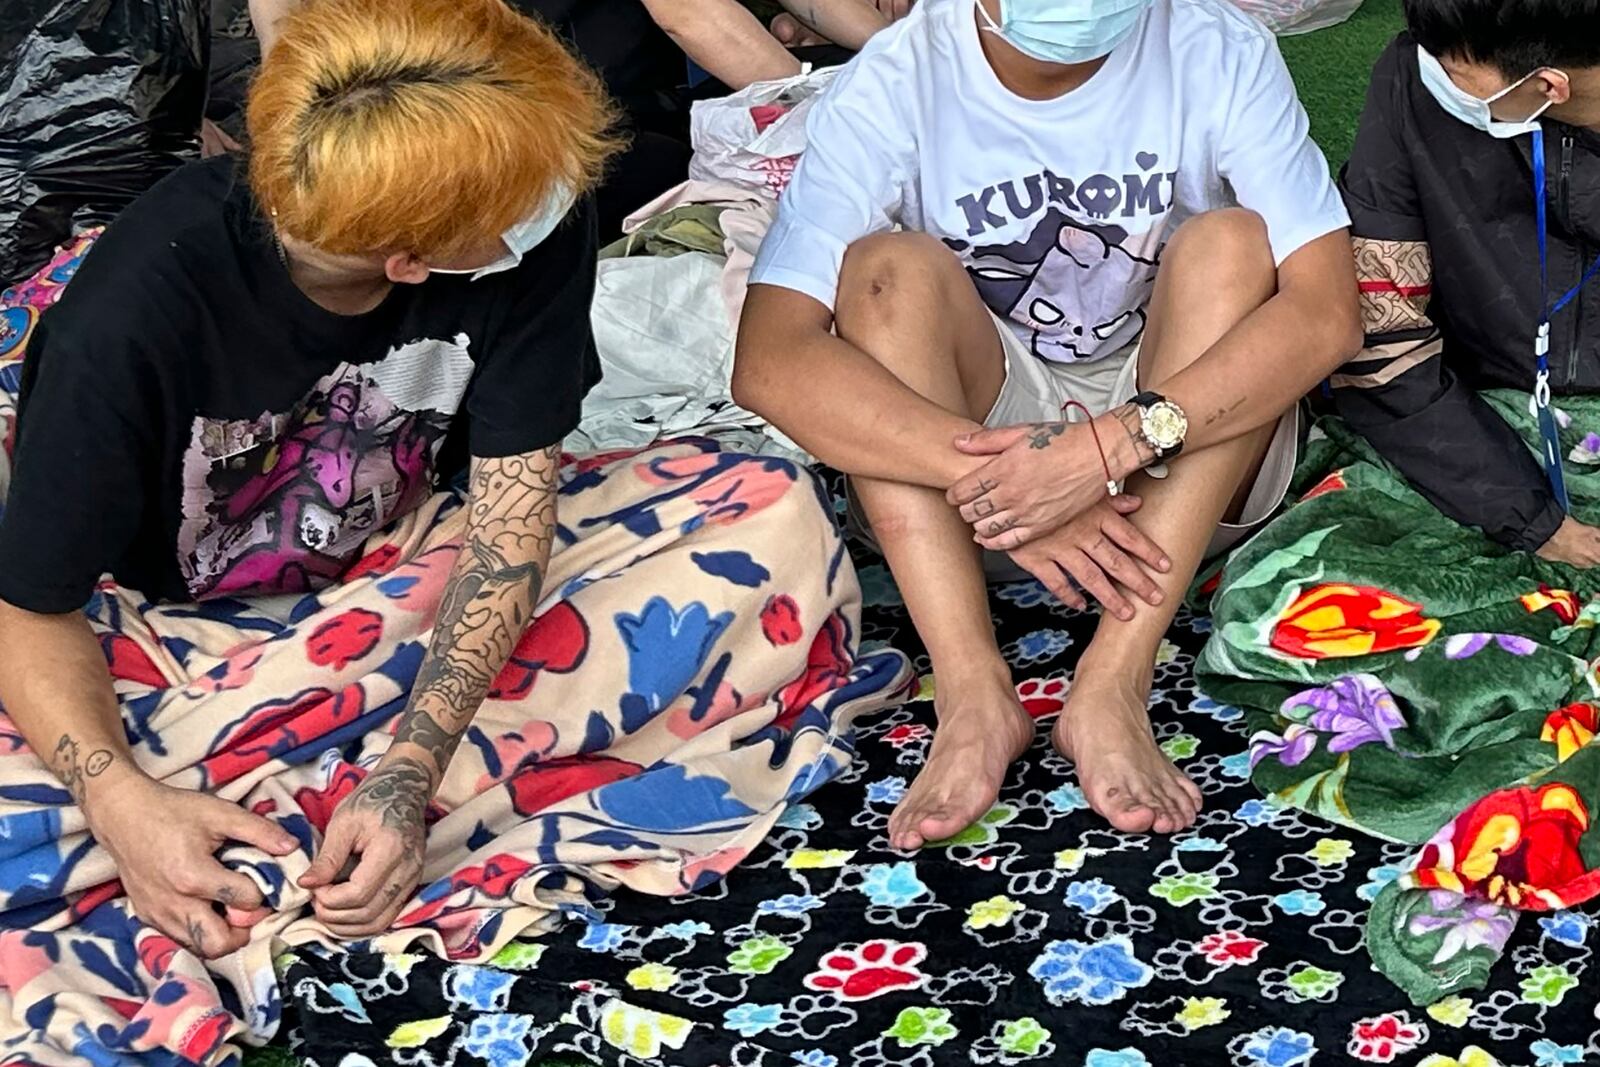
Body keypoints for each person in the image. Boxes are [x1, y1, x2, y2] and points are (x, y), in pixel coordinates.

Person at [0, 0, 902, 969]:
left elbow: (510, 531)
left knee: (769, 510)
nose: (560, 199)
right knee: (54, 792)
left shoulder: (529, 223)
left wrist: (407, 773)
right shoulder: (136, 311)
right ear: (411, 262)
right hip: (165, 625)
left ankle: (320, 784)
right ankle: (260, 790)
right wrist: (120, 800)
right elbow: (28, 605)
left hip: (404, 575)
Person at [734, 0, 1362, 844]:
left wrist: (1107, 447)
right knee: (883, 272)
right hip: (983, 499)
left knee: (1237, 244)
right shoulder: (894, 78)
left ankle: (1113, 681)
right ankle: (971, 691)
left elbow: (1326, 314)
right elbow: (770, 360)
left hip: (1174, 470)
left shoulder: (1219, 46)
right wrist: (998, 484)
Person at [1331, 0, 1600, 559]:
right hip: (1462, 423)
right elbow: (1384, 335)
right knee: (1261, 627)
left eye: (1453, 71)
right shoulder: (1417, 75)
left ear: (1549, 86)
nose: (1433, 70)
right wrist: (1531, 520)